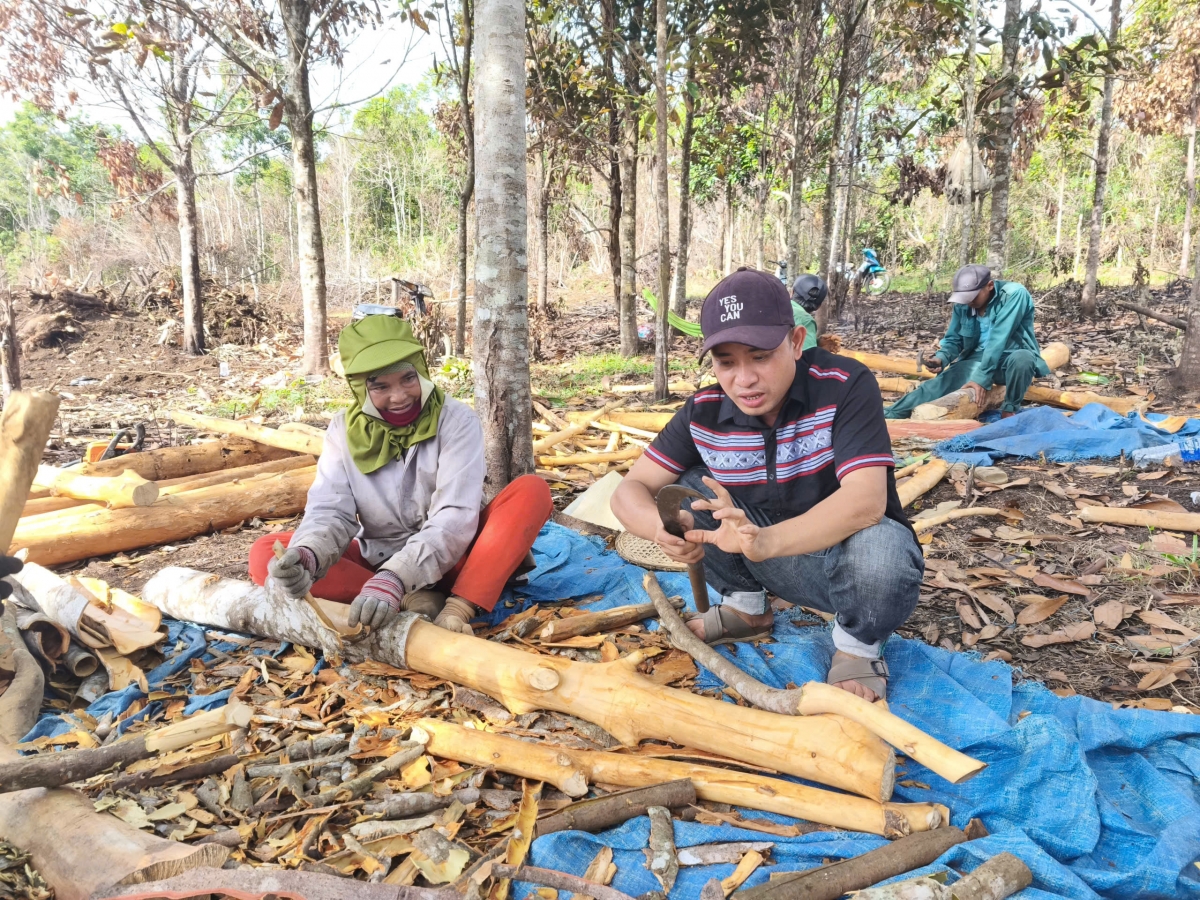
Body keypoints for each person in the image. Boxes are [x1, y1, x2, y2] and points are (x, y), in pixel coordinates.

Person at [610, 268, 923, 702]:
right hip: (759, 555)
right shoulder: (704, 411)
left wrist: (766, 541)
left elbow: (866, 501)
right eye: (726, 362)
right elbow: (630, 490)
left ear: (796, 342)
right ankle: (747, 610)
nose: (744, 379)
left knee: (882, 545)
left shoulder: (844, 386)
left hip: (844, 563)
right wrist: (661, 530)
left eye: (760, 356)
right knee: (691, 490)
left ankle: (857, 646)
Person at [249, 314, 553, 633]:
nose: (399, 396)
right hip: (377, 565)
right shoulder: (342, 431)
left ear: (421, 370)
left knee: (531, 491)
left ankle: (457, 609)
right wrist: (309, 555)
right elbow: (330, 510)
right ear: (359, 388)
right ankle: (411, 601)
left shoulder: (456, 420)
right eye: (380, 386)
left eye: (408, 378)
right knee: (269, 557)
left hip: (459, 561)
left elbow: (455, 516)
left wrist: (397, 576)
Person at [886, 264, 1049, 420]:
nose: (968, 302)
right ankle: (890, 414)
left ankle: (1009, 410)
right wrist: (942, 357)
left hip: (1009, 361)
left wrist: (980, 379)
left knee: (1023, 359)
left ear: (990, 286)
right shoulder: (963, 305)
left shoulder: (1013, 295)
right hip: (977, 360)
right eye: (964, 298)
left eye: (972, 297)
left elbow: (998, 339)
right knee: (936, 386)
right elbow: (954, 339)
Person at [790, 274, 825, 352]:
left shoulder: (777, 307)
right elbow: (807, 357)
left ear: (792, 292)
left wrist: (818, 343)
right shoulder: (806, 321)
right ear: (819, 306)